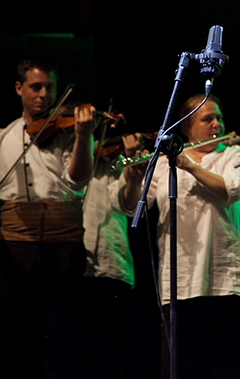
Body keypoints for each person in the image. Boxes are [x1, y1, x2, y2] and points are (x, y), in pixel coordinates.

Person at [0, 56, 96, 378]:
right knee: (12, 333)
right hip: (15, 246)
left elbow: (78, 180)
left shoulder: (67, 133)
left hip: (64, 245)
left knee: (62, 336)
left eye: (50, 88)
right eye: (36, 87)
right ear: (19, 88)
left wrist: (85, 135)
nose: (44, 95)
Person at [120, 94, 240, 379]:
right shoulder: (164, 163)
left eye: (219, 118)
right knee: (181, 369)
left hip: (224, 283)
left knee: (224, 369)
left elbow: (232, 189)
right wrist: (133, 177)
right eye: (207, 119)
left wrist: (189, 165)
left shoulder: (233, 155)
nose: (216, 124)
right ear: (187, 128)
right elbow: (132, 207)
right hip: (177, 285)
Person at [81, 132, 146, 378]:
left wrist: (131, 171)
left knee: (103, 349)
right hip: (69, 261)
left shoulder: (112, 164)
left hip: (109, 265)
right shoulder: (64, 155)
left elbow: (128, 206)